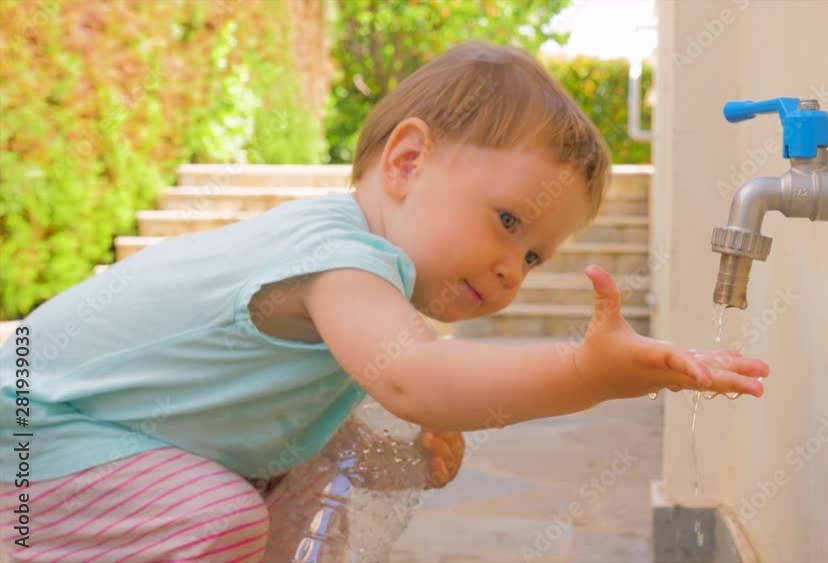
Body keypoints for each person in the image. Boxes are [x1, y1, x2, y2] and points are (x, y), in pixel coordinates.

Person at [0, 41, 768, 562]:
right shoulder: (340, 260)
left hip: (81, 432)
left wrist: (401, 456)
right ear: (407, 160)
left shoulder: (358, 269)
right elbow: (415, 380)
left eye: (533, 257)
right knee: (218, 516)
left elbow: (309, 432)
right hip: (35, 435)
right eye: (507, 222)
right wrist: (585, 374)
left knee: (303, 474)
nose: (511, 270)